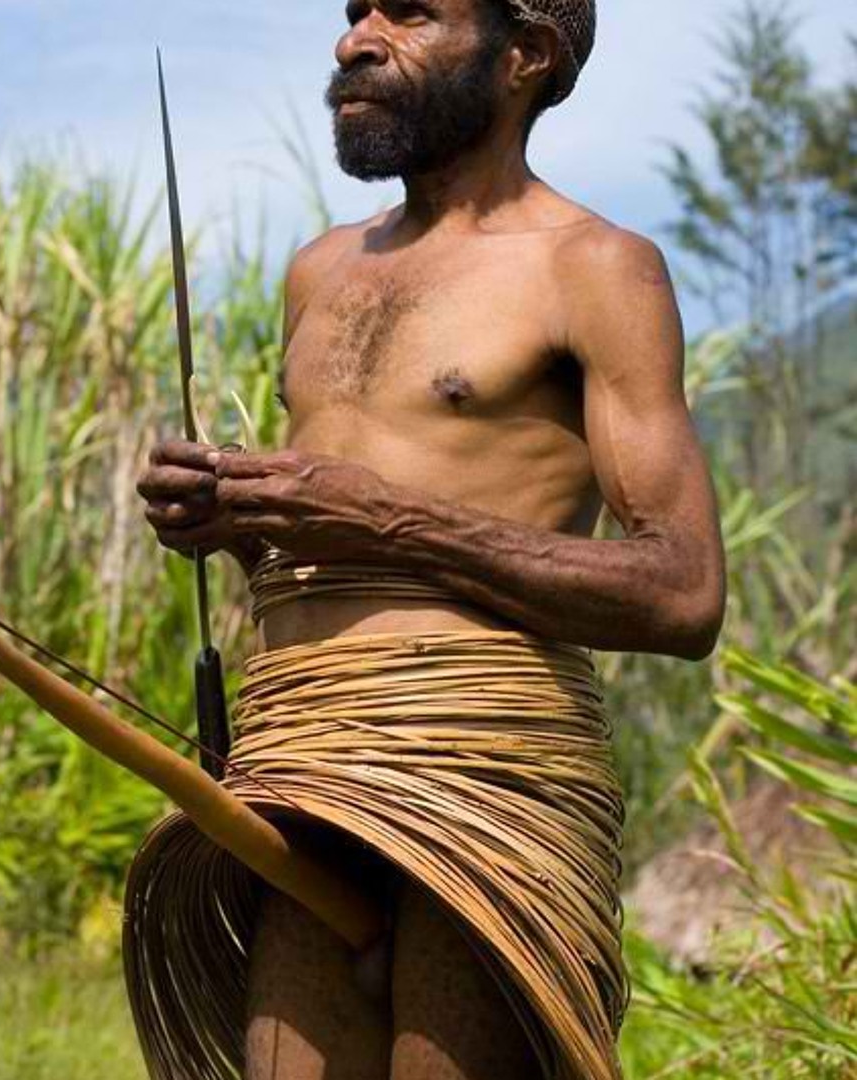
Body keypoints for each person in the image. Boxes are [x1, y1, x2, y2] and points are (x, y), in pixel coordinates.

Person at [135, 2, 726, 1078]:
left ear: (525, 54)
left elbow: (682, 592)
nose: (355, 39)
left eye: (409, 11)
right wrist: (233, 520)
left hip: (482, 783)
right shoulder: (321, 270)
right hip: (302, 767)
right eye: (355, 10)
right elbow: (329, 539)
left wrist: (383, 516)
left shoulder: (593, 267)